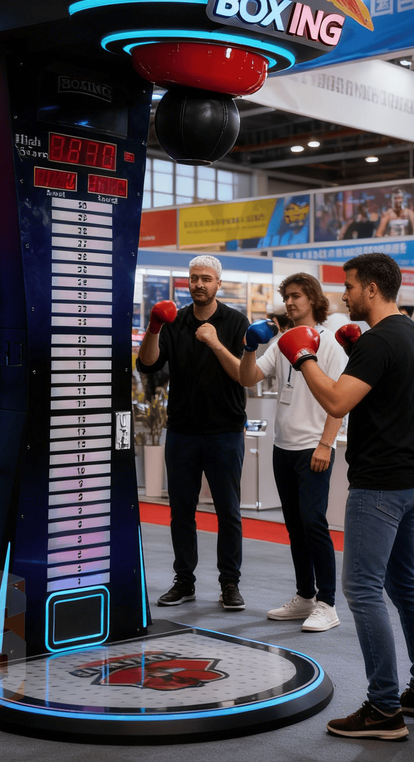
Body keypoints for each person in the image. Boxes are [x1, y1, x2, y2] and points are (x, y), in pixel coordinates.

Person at [278, 253, 414, 740]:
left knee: (363, 589)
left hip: (380, 485)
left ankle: (384, 707)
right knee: (405, 584)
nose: (344, 295)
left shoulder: (379, 339)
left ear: (372, 288)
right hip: (413, 480)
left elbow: (336, 400)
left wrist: (304, 357)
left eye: (349, 286)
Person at [137, 255, 249, 610]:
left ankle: (229, 583)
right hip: (182, 430)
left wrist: (215, 342)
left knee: (228, 511)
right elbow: (148, 363)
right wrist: (154, 326)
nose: (199, 283)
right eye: (194, 278)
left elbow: (243, 374)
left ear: (218, 283)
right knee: (181, 510)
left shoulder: (236, 321)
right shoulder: (176, 320)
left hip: (225, 430)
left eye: (206, 278)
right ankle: (184, 581)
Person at [238, 273, 347, 632]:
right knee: (295, 526)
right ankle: (305, 595)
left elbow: (339, 400)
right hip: (282, 446)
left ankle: (327, 603)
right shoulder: (283, 341)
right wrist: (249, 347)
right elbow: (248, 378)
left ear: (313, 299)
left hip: (313, 446)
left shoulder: (329, 343)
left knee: (314, 523)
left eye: (296, 295)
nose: (289, 302)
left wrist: (326, 443)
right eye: (286, 296)